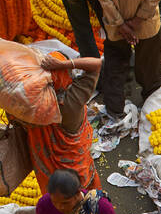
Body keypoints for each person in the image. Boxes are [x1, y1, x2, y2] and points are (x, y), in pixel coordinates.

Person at [17, 52, 102, 195]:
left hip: (51, 175)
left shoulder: (32, 107)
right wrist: (64, 65)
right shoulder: (72, 99)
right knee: (88, 196)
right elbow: (96, 64)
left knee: (60, 202)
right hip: (77, 165)